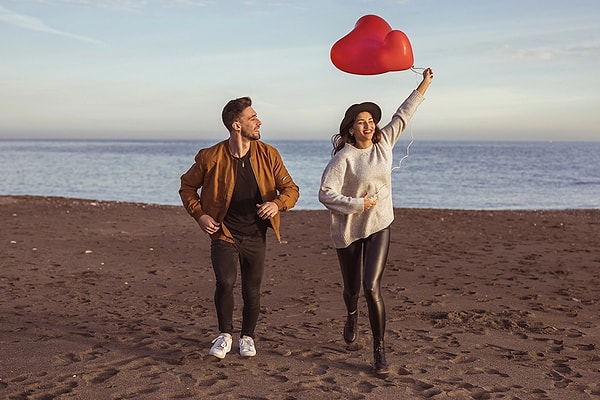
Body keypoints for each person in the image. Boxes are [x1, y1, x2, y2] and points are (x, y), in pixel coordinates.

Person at [318, 68, 434, 374]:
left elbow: (404, 113)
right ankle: (351, 314)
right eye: (361, 122)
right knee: (351, 289)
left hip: (380, 223)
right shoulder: (343, 158)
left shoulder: (384, 144)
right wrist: (357, 204)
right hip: (349, 230)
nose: (368, 126)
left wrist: (423, 83)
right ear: (352, 129)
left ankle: (379, 351)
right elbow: (325, 194)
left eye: (371, 121)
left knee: (372, 286)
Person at [179, 96, 299, 360]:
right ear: (236, 125)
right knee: (225, 281)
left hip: (256, 234)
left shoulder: (269, 154)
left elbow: (291, 190)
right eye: (252, 118)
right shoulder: (210, 157)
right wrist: (199, 215)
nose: (259, 122)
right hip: (224, 232)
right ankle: (224, 335)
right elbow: (187, 186)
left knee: (251, 289)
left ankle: (248, 337)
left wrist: (277, 204)